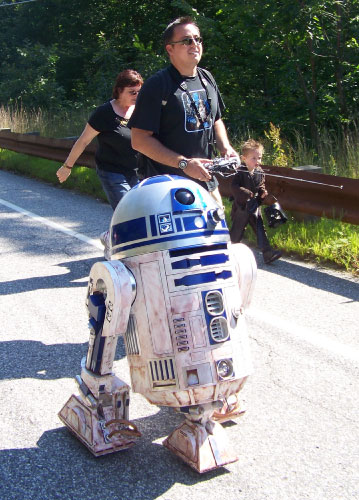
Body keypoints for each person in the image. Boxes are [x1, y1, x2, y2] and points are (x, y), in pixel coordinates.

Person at [128, 16, 238, 205]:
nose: (194, 44)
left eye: (198, 39)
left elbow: (216, 119)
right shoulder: (158, 85)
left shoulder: (207, 78)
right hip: (164, 187)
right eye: (187, 40)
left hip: (205, 181)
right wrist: (184, 164)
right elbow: (139, 140)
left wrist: (225, 148)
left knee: (219, 231)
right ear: (170, 49)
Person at [56, 69, 143, 258]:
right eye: (132, 92)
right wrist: (67, 166)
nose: (136, 96)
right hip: (110, 170)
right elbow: (83, 141)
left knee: (138, 211)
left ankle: (109, 237)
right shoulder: (104, 113)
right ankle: (116, 244)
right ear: (119, 91)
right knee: (126, 210)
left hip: (134, 170)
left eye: (139, 92)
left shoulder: (140, 110)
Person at [230, 139, 282, 264]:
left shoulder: (260, 172)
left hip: (254, 206)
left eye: (259, 158)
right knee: (237, 232)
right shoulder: (239, 171)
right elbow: (234, 187)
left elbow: (261, 187)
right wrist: (247, 194)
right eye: (253, 158)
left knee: (260, 229)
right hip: (242, 208)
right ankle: (228, 253)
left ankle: (267, 253)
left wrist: (263, 194)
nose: (257, 161)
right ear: (244, 158)